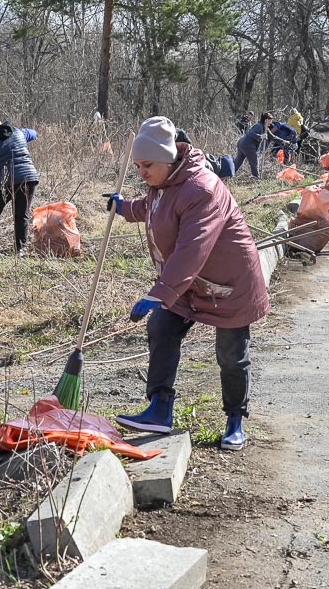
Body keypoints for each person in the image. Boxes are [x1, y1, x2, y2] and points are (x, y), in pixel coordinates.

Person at [107, 116, 270, 451]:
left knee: (230, 355)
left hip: (229, 283)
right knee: (162, 327)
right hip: (191, 283)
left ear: (168, 158)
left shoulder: (202, 188)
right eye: (137, 166)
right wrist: (124, 208)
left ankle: (235, 419)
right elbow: (153, 207)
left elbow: (192, 247)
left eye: (147, 165)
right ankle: (160, 409)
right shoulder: (164, 183)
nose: (142, 173)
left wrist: (160, 292)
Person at [0, 112, 39, 254]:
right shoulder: (19, 132)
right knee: (21, 215)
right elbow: (34, 133)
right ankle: (20, 249)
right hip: (28, 178)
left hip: (3, 181)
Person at [234, 110, 273, 178]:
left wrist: (284, 142)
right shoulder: (259, 126)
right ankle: (256, 178)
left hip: (242, 143)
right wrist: (261, 136)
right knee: (254, 162)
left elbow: (273, 137)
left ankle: (228, 175)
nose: (271, 122)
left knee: (238, 162)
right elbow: (250, 133)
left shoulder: (265, 128)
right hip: (247, 145)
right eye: (270, 121)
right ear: (266, 120)